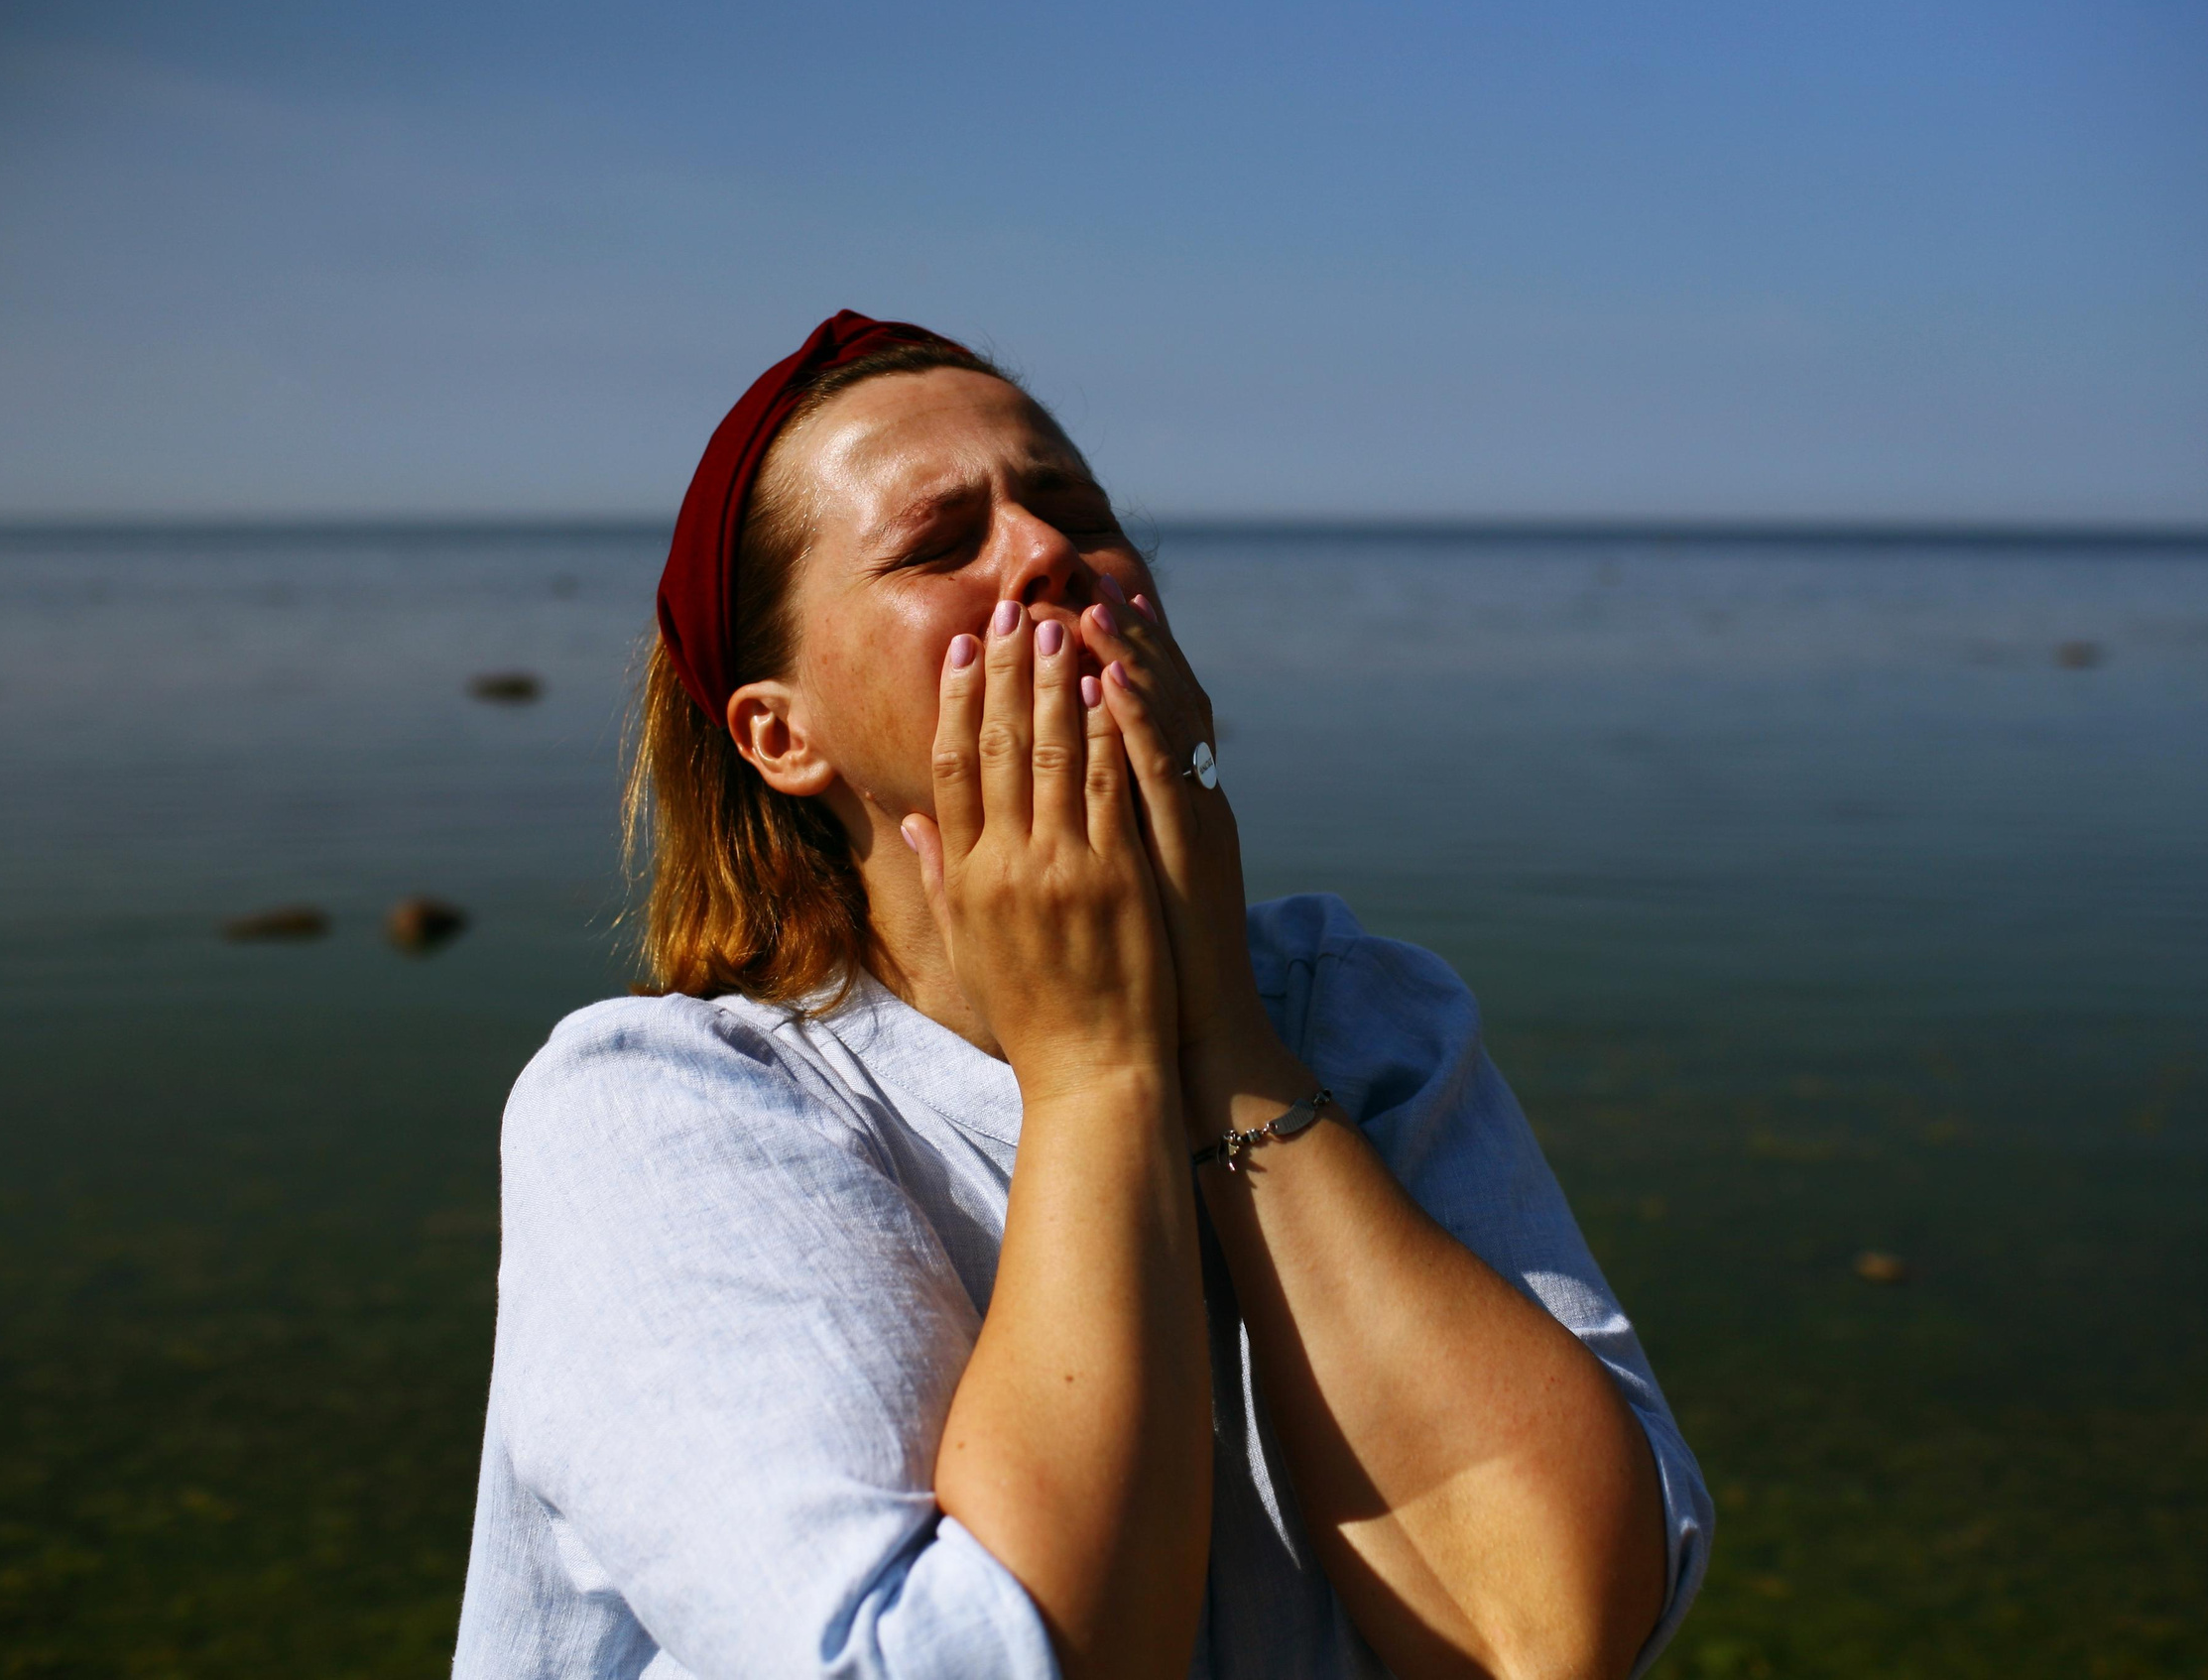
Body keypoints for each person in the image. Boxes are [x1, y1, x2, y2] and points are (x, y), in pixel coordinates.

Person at [453, 313, 1711, 1680]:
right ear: (780, 733)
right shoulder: (662, 1110)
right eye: (939, 544)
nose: (1047, 552)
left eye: (1074, 509)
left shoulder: (1355, 1013)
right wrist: (1096, 1071)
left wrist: (1221, 1025)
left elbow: (1559, 1626)